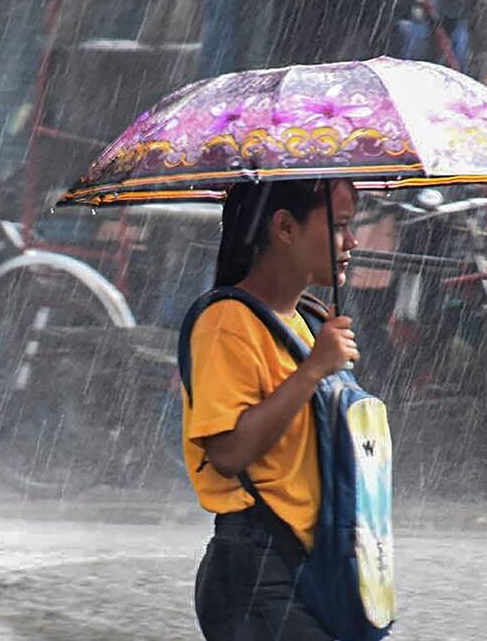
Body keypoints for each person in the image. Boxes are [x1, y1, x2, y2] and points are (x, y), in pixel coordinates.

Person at [185, 179, 360, 638]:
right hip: (256, 572)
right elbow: (227, 452)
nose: (353, 242)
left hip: (311, 564)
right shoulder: (227, 323)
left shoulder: (309, 320)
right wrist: (311, 372)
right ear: (284, 227)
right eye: (340, 226)